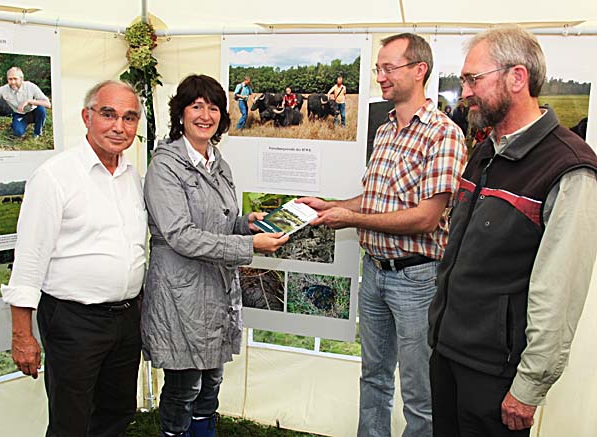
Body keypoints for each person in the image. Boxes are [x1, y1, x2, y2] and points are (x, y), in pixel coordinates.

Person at [428, 25, 597, 436]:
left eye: (473, 79)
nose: (464, 92)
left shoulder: (568, 167)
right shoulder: (486, 151)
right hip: (450, 354)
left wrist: (529, 386)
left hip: (497, 375)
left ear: (517, 77)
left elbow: (559, 292)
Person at [299, 33, 467, 437]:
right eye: (379, 68)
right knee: (373, 378)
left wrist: (351, 220)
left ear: (419, 70)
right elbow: (373, 199)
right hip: (374, 272)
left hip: (417, 280)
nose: (380, 77)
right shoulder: (386, 129)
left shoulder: (443, 134)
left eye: (388, 68)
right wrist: (331, 205)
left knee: (419, 392)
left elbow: (427, 218)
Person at [142, 74, 288, 437]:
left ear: (222, 115)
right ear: (181, 113)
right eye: (196, 106)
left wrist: (245, 224)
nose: (205, 115)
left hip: (216, 289)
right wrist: (248, 246)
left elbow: (216, 223)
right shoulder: (165, 166)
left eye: (213, 107)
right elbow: (180, 235)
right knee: (184, 387)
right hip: (180, 293)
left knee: (210, 386)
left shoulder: (219, 163)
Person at [1, 80, 147, 436]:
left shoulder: (132, 176)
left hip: (127, 319)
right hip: (74, 321)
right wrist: (22, 335)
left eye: (129, 118)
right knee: (71, 422)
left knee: (116, 413)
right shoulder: (54, 177)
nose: (119, 126)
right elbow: (29, 260)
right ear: (86, 117)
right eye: (108, 114)